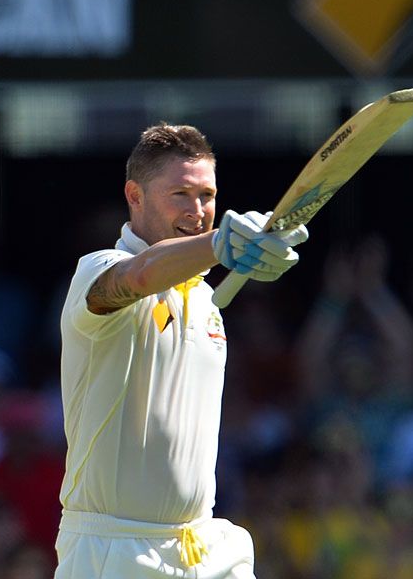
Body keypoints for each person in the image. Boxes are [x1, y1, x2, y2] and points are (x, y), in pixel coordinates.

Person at [54, 123, 309, 578]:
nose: (198, 210)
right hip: (113, 551)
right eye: (180, 194)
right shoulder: (97, 270)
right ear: (135, 195)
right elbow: (139, 276)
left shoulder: (207, 299)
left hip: (202, 546)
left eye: (208, 196)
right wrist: (215, 245)